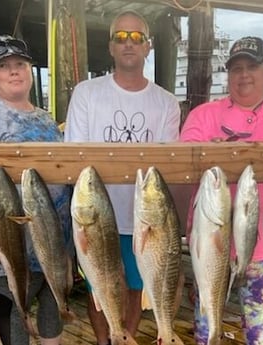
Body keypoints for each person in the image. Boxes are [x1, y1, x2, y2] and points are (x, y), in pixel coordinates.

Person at [64, 10, 181, 345]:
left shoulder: (167, 103)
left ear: (148, 46)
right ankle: (106, 341)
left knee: (134, 287)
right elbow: (76, 156)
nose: (128, 43)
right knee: (99, 287)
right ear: (110, 46)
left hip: (143, 219)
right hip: (95, 215)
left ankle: (124, 339)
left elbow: (166, 166)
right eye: (120, 36)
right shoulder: (86, 93)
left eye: (136, 37)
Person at [180, 36, 263, 344]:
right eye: (236, 68)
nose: (244, 75)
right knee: (206, 317)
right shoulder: (203, 115)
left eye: (252, 66)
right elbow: (183, 161)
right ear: (228, 74)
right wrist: (210, 153)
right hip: (211, 243)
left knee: (258, 319)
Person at [0, 34, 73, 345]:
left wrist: (69, 241)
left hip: (51, 239)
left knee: (52, 304)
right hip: (6, 240)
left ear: (30, 70)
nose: (14, 71)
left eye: (20, 64)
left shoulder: (46, 120)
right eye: (4, 66)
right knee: (13, 305)